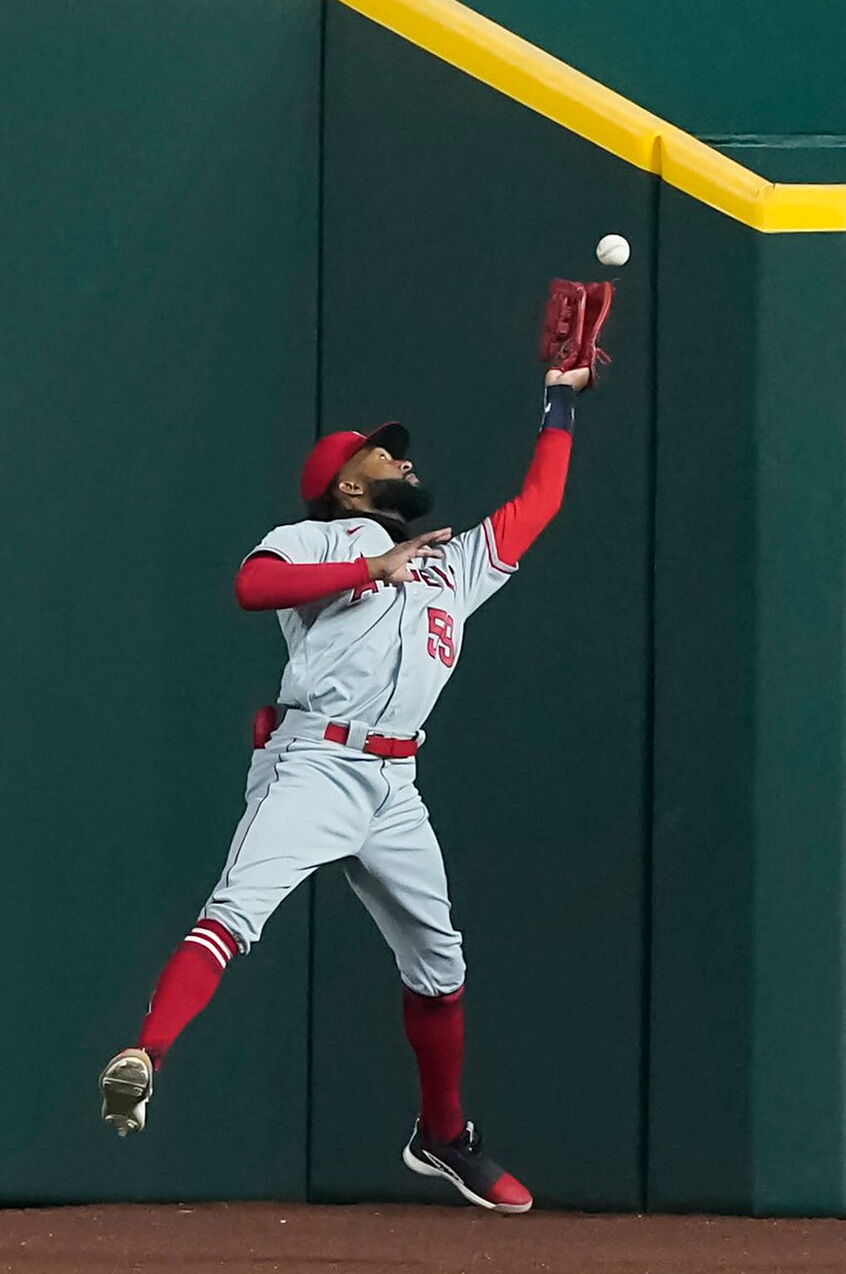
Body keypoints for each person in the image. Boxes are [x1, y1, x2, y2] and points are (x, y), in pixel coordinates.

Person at [97, 351, 600, 1217]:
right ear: (347, 487)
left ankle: (442, 1136)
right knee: (233, 913)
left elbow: (539, 505)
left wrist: (558, 401)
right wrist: (369, 568)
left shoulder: (450, 564)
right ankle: (146, 1055)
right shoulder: (320, 538)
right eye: (379, 453)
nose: (401, 458)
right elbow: (253, 585)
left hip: (395, 783)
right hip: (313, 763)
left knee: (440, 963)